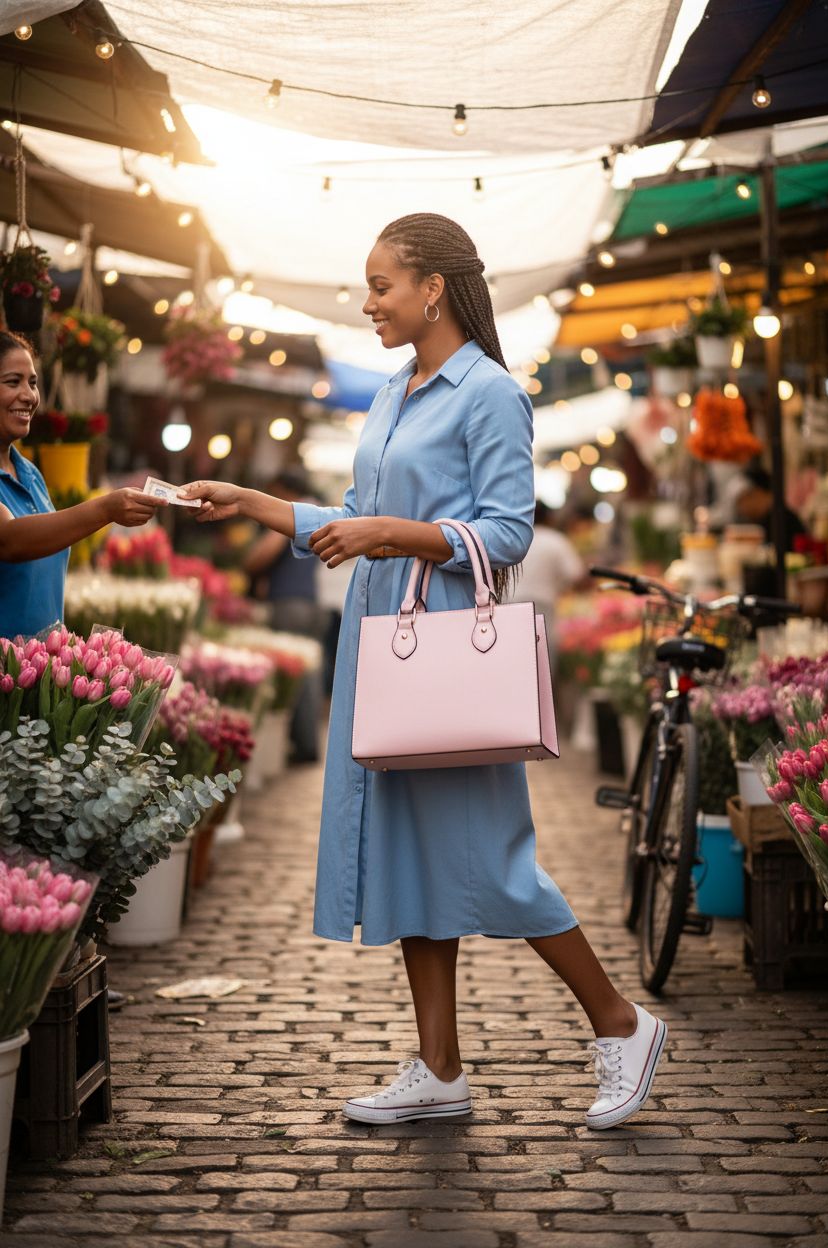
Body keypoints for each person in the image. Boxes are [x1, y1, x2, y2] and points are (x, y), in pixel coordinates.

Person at [180, 213, 667, 1131]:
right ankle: (439, 1067)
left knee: (494, 859)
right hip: (390, 651)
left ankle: (622, 1022)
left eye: (382, 285)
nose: (369, 304)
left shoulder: (489, 392)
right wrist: (253, 503)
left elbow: (509, 531)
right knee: (410, 857)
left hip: (447, 655)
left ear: (432, 288)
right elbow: (357, 510)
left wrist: (393, 536)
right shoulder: (398, 391)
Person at [0, 330, 167, 639]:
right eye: (13, 382)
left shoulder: (31, 474)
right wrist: (105, 508)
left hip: (33, 675)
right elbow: (10, 540)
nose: (29, 395)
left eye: (33, 382)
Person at [244, 468, 325, 762]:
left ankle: (304, 746)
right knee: (308, 673)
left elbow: (259, 557)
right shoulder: (317, 508)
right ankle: (306, 743)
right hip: (309, 602)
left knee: (299, 675)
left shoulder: (300, 512)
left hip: (292, 605)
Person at [509, 499, 584, 675]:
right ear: (549, 518)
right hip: (540, 606)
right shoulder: (555, 540)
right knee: (542, 664)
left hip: (506, 605)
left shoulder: (512, 538)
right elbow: (577, 575)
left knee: (512, 661)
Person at [734, 465, 807, 549]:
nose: (741, 506)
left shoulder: (783, 520)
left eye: (745, 498)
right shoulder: (760, 520)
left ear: (759, 493)